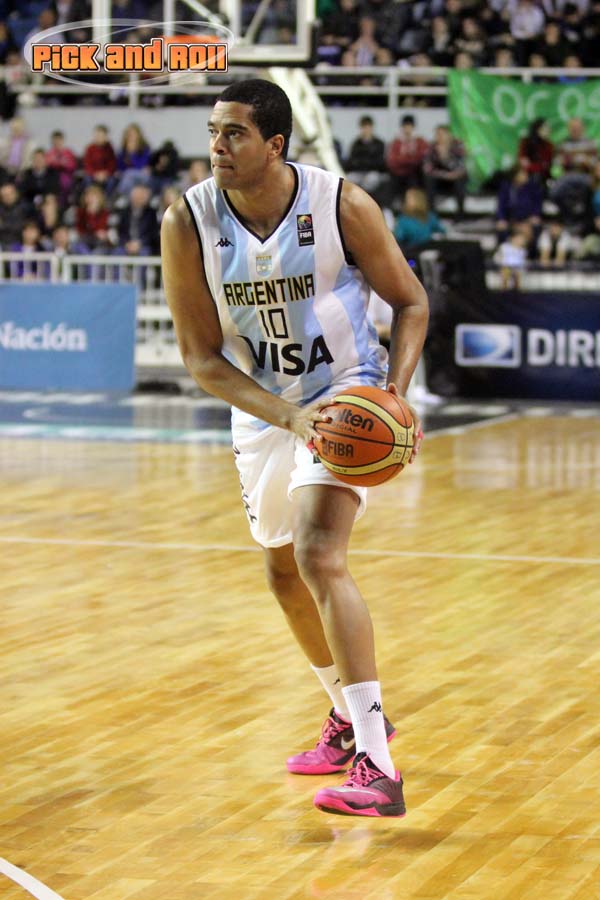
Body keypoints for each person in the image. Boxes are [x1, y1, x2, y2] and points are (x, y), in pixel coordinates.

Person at [161, 79, 428, 818]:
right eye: (213, 132)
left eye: (235, 133)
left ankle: (379, 768)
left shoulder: (341, 205)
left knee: (318, 554)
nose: (217, 146)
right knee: (281, 571)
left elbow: (411, 301)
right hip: (264, 406)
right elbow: (200, 358)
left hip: (346, 396)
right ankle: (347, 717)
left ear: (275, 144)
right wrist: (286, 416)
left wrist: (394, 397)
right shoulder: (187, 221)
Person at [423, 124, 467, 217]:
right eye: (437, 134)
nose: (439, 137)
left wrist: (445, 158)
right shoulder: (432, 147)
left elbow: (461, 168)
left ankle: (460, 215)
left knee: (460, 181)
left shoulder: (458, 145)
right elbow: (428, 169)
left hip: (455, 178)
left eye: (442, 134)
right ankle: (432, 215)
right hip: (440, 178)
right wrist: (445, 175)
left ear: (449, 135)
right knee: (429, 180)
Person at [386, 114, 429, 205]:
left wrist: (403, 159)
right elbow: (392, 161)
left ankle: (413, 207)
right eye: (405, 126)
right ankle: (388, 208)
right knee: (389, 183)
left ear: (413, 127)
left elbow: (421, 158)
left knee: (413, 182)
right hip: (398, 173)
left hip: (414, 173)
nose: (407, 129)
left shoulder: (420, 141)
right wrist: (410, 158)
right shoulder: (396, 142)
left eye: (409, 126)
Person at [394, 187, 446, 252]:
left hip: (413, 251)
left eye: (409, 199)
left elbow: (399, 237)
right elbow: (442, 231)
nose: (406, 201)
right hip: (425, 250)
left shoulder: (404, 219)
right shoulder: (430, 216)